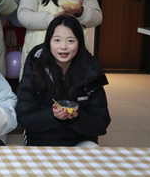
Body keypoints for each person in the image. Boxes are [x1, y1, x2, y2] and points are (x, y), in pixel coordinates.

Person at [16, 15, 111, 146]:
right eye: (57, 40)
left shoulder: (90, 68)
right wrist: (52, 115)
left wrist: (77, 118)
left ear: (79, 43)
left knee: (92, 152)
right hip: (41, 138)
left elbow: (101, 123)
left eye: (70, 41)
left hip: (79, 138)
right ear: (49, 42)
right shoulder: (36, 64)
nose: (63, 47)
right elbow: (24, 117)